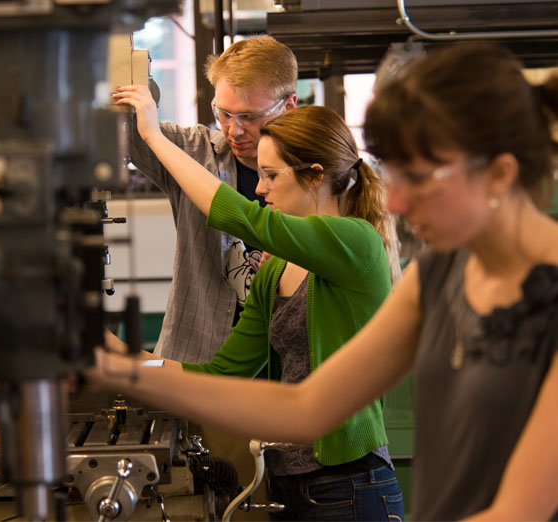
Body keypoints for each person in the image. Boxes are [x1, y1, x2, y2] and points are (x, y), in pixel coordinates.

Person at [90, 41, 558, 520]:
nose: (394, 203)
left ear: (500, 174)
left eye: (417, 177)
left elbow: (523, 505)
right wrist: (114, 366)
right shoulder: (433, 279)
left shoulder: (545, 293)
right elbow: (306, 408)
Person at [105, 90, 403, 520]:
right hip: (286, 483)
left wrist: (152, 136)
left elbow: (241, 217)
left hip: (350, 484)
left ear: (315, 175)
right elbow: (220, 374)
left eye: (270, 175)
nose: (260, 188)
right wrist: (126, 360)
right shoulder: (275, 268)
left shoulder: (357, 242)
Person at [130, 35, 298, 364]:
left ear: (289, 105)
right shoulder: (195, 151)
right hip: (195, 354)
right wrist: (132, 79)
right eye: (223, 113)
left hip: (284, 369)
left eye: (249, 117)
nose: (234, 130)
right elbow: (126, 130)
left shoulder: (317, 178)